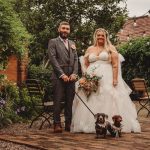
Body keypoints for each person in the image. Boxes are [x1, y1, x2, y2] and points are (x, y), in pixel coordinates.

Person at [71, 28, 141, 133]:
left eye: (102, 35)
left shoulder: (110, 48)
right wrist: (85, 77)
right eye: (98, 35)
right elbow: (85, 63)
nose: (100, 37)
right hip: (92, 77)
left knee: (108, 96)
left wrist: (115, 79)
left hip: (107, 76)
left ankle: (111, 125)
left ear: (106, 37)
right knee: (91, 97)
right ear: (95, 36)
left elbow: (115, 65)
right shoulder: (90, 49)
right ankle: (87, 124)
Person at [48, 21, 78, 133]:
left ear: (69, 31)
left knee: (70, 101)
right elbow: (53, 60)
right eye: (63, 28)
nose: (65, 30)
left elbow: (76, 59)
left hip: (71, 77)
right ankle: (56, 124)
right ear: (59, 29)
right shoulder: (53, 42)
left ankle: (68, 124)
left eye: (67, 29)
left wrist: (75, 73)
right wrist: (62, 74)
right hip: (58, 76)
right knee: (58, 100)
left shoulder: (72, 43)